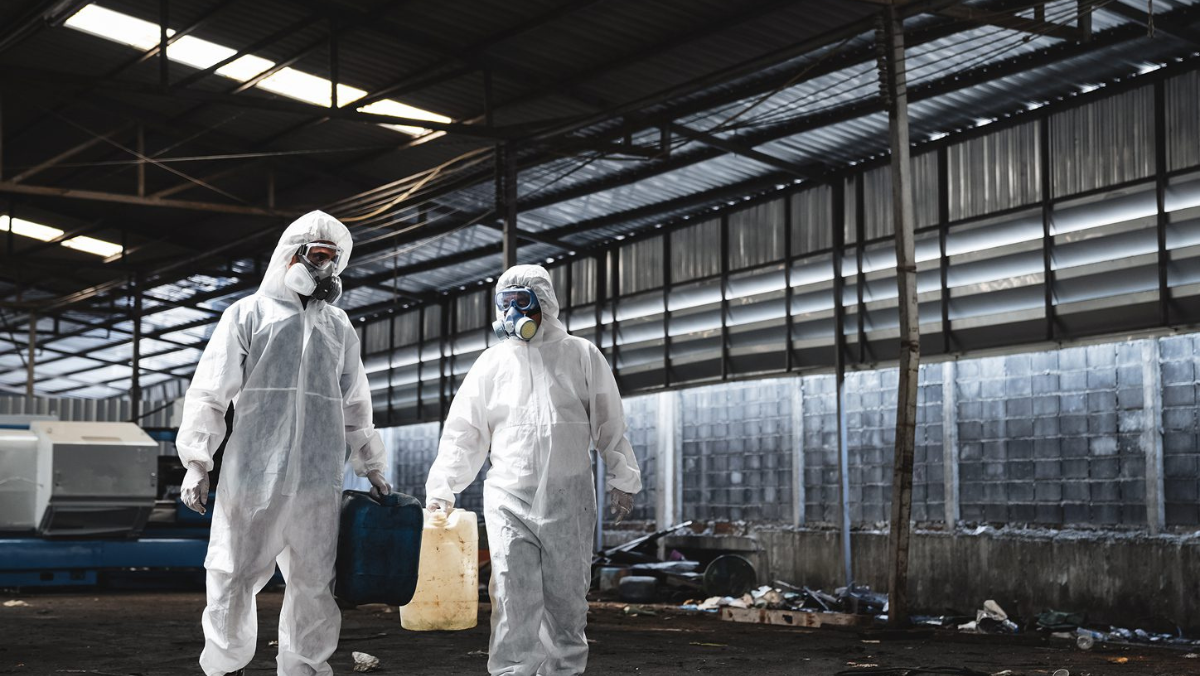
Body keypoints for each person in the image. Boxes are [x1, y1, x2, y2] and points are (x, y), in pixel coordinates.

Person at [176, 210, 391, 676]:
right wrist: (198, 460)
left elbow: (355, 401)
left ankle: (304, 667)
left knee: (315, 581)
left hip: (317, 481)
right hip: (253, 474)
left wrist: (371, 464)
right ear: (291, 256)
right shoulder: (248, 314)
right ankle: (224, 666)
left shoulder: (338, 327)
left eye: (334, 261)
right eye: (318, 257)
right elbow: (210, 390)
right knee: (233, 574)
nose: (326, 271)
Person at [425, 264, 641, 676]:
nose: (511, 314)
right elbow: (464, 433)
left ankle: (563, 671)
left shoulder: (580, 354)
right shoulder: (491, 363)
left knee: (567, 601)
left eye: (520, 303)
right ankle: (512, 672)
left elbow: (609, 420)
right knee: (511, 596)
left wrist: (623, 477)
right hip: (509, 498)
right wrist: (443, 487)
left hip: (569, 497)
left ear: (544, 303)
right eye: (504, 305)